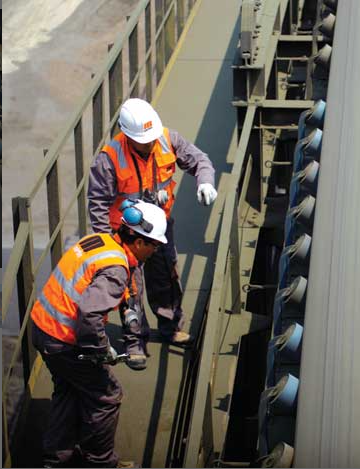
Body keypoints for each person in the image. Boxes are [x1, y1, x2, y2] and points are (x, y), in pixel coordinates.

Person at [31, 201, 167, 467]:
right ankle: (101, 462)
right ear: (139, 242)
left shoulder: (101, 241)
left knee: (68, 391)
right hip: (63, 340)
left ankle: (56, 459)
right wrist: (102, 350)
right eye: (154, 245)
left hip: (43, 328)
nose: (154, 251)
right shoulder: (116, 269)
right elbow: (90, 315)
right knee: (107, 396)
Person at [88, 98, 218, 369]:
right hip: (125, 236)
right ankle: (135, 342)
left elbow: (199, 160)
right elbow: (98, 202)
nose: (149, 144)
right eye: (143, 140)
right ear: (128, 135)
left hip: (160, 228)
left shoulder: (168, 140)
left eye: (151, 138)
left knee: (167, 276)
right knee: (130, 287)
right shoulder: (110, 158)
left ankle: (170, 326)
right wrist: (106, 245)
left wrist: (205, 182)